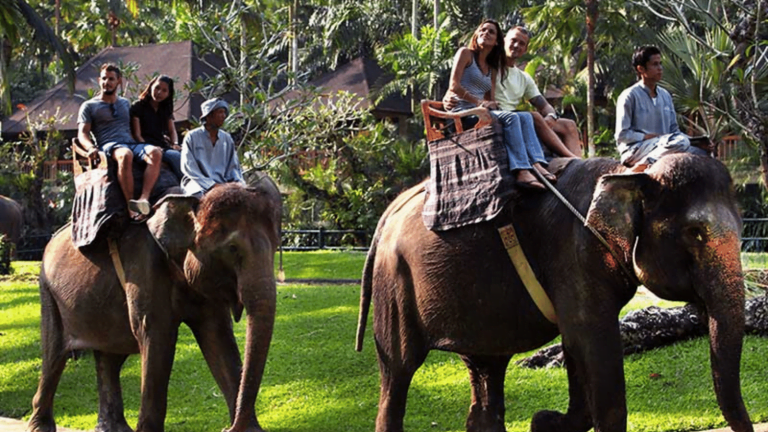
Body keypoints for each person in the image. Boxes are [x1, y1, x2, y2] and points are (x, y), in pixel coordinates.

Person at [442, 19, 555, 190]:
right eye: (483, 30)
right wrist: (478, 102)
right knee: (511, 118)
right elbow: (454, 86)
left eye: (491, 32)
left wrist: (491, 104)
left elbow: (490, 98)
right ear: (477, 34)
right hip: (463, 113)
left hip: (480, 112)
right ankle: (521, 170)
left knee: (524, 116)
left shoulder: (490, 68)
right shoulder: (465, 54)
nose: (486, 33)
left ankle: (537, 163)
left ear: (496, 42)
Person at [77, 63, 163, 222]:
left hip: (130, 142)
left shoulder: (125, 103)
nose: (106, 82)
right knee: (125, 155)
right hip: (109, 145)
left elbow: (136, 128)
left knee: (156, 152)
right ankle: (131, 206)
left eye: (111, 79)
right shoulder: (89, 106)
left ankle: (143, 198)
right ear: (99, 80)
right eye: (104, 79)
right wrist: (90, 148)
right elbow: (82, 133)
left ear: (119, 81)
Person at [615, 45, 709, 171]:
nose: (660, 68)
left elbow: (674, 131)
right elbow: (621, 135)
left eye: (660, 64)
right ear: (641, 69)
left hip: (666, 145)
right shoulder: (629, 96)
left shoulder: (665, 96)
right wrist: (646, 137)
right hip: (636, 149)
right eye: (655, 64)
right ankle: (644, 165)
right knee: (680, 142)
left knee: (702, 152)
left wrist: (697, 142)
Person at [495, 26, 582, 158]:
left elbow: (544, 105)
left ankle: (580, 166)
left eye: (522, 44)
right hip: (500, 116)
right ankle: (571, 158)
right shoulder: (490, 66)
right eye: (513, 40)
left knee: (569, 125)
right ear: (504, 40)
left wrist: (551, 117)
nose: (517, 45)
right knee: (534, 117)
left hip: (519, 119)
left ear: (525, 50)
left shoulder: (524, 78)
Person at [181, 98, 245, 197]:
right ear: (209, 116)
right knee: (196, 196)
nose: (223, 116)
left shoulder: (227, 138)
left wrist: (239, 184)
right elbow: (189, 167)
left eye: (224, 113)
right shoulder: (192, 136)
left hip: (222, 182)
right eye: (220, 112)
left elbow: (234, 167)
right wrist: (211, 185)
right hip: (196, 182)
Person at [130, 75, 182, 180]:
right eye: (157, 88)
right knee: (176, 157)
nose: (159, 93)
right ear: (151, 86)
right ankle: (186, 182)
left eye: (164, 90)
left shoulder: (165, 109)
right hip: (145, 146)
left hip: (162, 145)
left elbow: (172, 131)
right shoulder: (138, 106)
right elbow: (137, 135)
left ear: (168, 94)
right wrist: (150, 148)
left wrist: (175, 143)